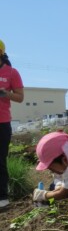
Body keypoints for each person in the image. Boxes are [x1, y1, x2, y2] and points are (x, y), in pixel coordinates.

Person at [0, 39, 24, 209]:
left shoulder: (12, 72)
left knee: (0, 160)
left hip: (2, 123)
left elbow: (20, 97)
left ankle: (2, 197)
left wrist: (4, 93)